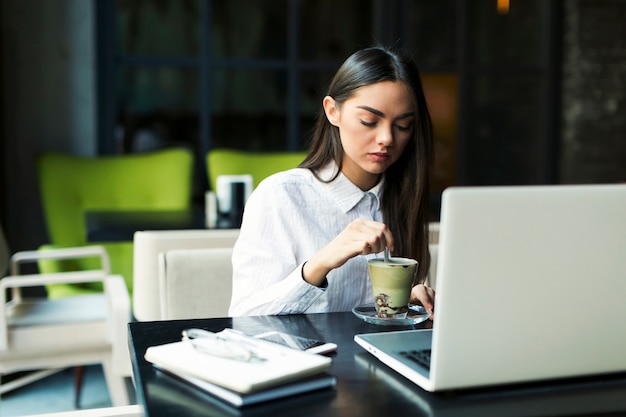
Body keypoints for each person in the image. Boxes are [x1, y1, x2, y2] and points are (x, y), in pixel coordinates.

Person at [228, 46, 435, 317]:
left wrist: (411, 301)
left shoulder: (406, 199)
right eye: (369, 121)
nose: (387, 138)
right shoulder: (280, 197)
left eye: (403, 125)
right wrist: (320, 264)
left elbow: (380, 320)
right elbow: (243, 317)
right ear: (332, 111)